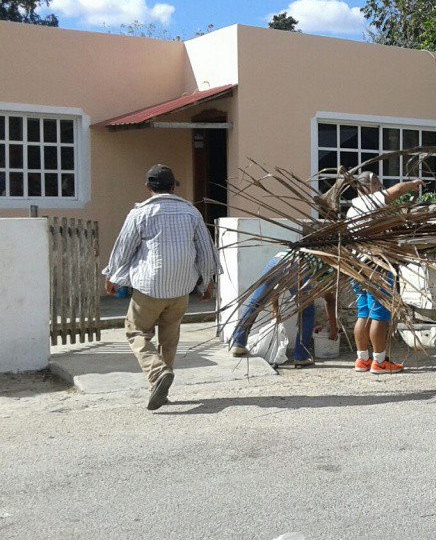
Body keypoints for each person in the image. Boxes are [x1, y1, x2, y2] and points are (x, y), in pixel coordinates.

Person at [103, 164, 218, 411]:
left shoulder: (140, 213)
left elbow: (124, 248)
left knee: (136, 332)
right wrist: (206, 283)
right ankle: (161, 388)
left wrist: (112, 276)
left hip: (149, 288)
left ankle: (157, 374)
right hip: (181, 289)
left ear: (147, 187)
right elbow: (206, 250)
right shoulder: (192, 213)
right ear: (174, 185)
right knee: (169, 339)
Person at [347, 171, 424, 374]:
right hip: (375, 266)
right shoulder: (368, 201)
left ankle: (362, 359)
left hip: (356, 264)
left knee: (363, 313)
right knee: (379, 314)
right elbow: (396, 191)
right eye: (379, 185)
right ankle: (380, 362)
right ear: (370, 185)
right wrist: (413, 184)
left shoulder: (353, 207)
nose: (381, 189)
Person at [228, 251, 339, 368]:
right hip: (297, 265)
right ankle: (301, 356)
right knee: (307, 310)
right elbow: (330, 299)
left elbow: (275, 286)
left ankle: (238, 343)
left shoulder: (314, 252)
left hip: (277, 260)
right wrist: (334, 328)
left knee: (255, 303)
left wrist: (275, 309)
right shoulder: (329, 266)